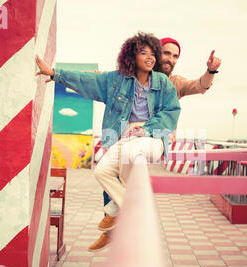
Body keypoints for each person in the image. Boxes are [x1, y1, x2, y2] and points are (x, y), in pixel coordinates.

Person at [35, 32, 181, 252]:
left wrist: (146, 128)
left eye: (153, 53)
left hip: (153, 137)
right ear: (132, 57)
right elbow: (87, 80)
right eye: (144, 53)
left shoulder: (163, 83)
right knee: (101, 171)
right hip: (124, 138)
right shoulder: (115, 80)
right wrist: (55, 73)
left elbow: (172, 111)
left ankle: (114, 214)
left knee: (130, 153)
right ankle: (123, 209)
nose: (150, 58)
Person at [98, 37, 222, 251]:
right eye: (166, 53)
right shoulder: (133, 78)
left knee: (131, 180)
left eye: (175, 56)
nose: (170, 59)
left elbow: (199, 85)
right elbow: (103, 81)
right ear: (155, 54)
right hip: (127, 140)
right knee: (111, 178)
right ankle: (114, 229)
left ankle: (126, 232)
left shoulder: (174, 83)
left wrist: (210, 71)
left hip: (151, 143)